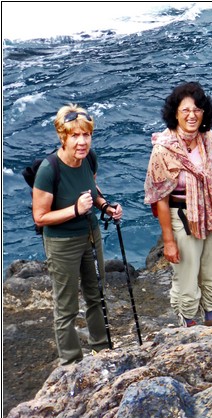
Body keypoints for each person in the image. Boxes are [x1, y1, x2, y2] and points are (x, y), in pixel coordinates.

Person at [32, 104, 123, 365]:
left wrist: (106, 206)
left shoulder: (89, 158)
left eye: (86, 135)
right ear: (63, 136)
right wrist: (74, 210)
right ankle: (70, 364)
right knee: (67, 307)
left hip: (90, 235)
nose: (82, 142)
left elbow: (92, 189)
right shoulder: (49, 170)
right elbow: (40, 217)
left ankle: (101, 353)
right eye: (75, 136)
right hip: (62, 244)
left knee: (97, 295)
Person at [145, 82, 212, 327]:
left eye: (197, 109)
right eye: (185, 110)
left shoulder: (207, 139)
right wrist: (168, 241)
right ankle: (188, 325)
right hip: (183, 217)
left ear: (204, 113)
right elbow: (161, 199)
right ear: (175, 113)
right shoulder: (163, 150)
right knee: (187, 277)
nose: (191, 115)